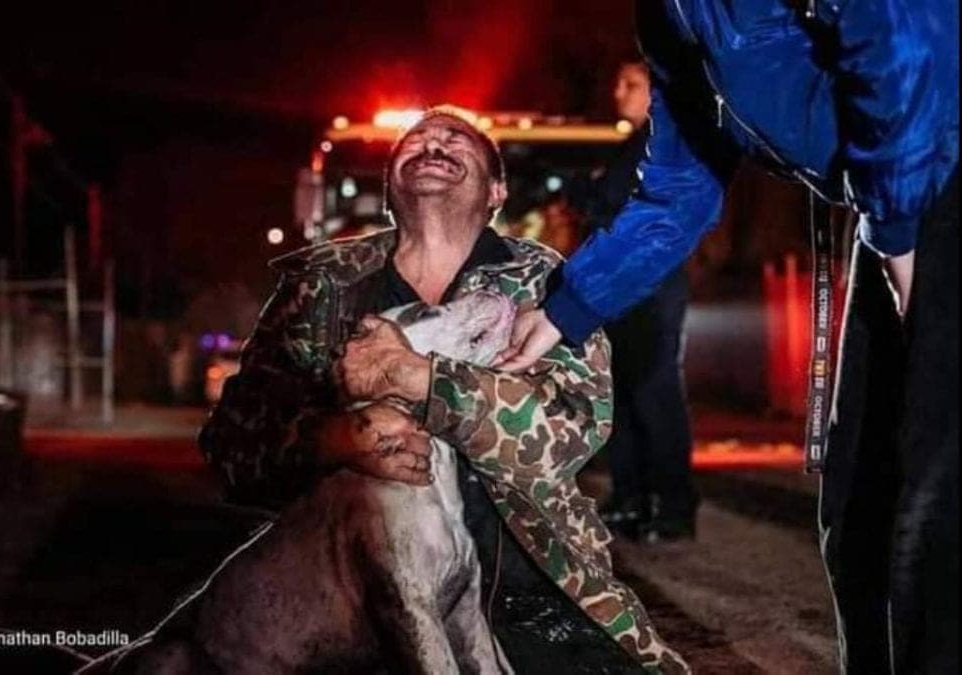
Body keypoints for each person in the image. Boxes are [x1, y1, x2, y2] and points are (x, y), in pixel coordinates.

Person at [497, 4, 958, 673]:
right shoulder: (671, 20)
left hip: (930, 171)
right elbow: (679, 187)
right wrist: (565, 308)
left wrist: (897, 231)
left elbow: (904, 39)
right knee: (858, 500)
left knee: (935, 499)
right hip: (894, 208)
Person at [199, 106, 689, 673]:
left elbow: (573, 427)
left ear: (497, 191)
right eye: (416, 142)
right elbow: (232, 446)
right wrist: (335, 438)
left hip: (531, 597)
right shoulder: (322, 286)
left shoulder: (547, 282)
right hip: (344, 607)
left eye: (456, 141)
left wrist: (420, 380)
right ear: (388, 189)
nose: (433, 145)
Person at [576, 58, 697, 542]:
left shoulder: (666, 144)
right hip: (620, 285)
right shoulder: (634, 144)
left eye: (632, 84)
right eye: (618, 83)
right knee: (623, 391)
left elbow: (647, 214)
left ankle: (672, 504)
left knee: (653, 392)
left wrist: (593, 198)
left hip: (651, 284)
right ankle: (630, 496)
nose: (619, 92)